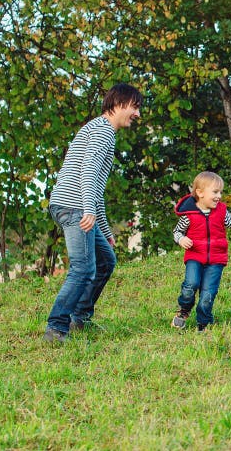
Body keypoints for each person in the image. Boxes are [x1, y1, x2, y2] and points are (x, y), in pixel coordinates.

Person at [44, 83, 143, 343]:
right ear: (119, 104)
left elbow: (96, 186)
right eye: (135, 107)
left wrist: (106, 231)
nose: (137, 114)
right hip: (75, 206)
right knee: (83, 268)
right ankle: (56, 328)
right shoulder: (102, 132)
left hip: (77, 205)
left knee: (106, 261)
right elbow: (87, 173)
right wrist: (88, 209)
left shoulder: (99, 129)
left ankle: (80, 318)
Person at [171, 171, 231, 331]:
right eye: (215, 192)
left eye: (220, 192)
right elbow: (177, 232)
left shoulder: (221, 211)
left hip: (216, 259)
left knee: (208, 294)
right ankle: (184, 310)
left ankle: (203, 324)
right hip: (195, 257)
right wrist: (181, 239)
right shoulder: (188, 215)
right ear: (200, 193)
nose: (219, 196)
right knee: (191, 285)